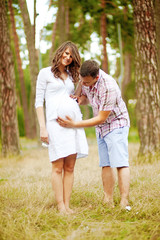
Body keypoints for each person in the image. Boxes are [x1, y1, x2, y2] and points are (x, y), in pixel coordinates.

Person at [57, 60, 130, 209]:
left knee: (120, 163)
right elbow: (85, 98)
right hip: (102, 128)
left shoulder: (108, 87)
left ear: (96, 78)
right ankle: (108, 199)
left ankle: (124, 200)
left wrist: (74, 124)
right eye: (82, 81)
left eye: (87, 82)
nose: (84, 84)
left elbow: (102, 118)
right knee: (105, 164)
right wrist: (78, 99)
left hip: (116, 124)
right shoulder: (85, 80)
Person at [35, 41, 88, 214]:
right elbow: (38, 103)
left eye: (71, 56)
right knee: (57, 167)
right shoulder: (45, 73)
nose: (67, 57)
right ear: (59, 53)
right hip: (54, 125)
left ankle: (67, 204)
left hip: (73, 124)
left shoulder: (73, 77)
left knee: (70, 167)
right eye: (65, 53)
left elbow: (77, 97)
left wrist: (79, 98)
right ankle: (60, 206)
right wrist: (43, 128)